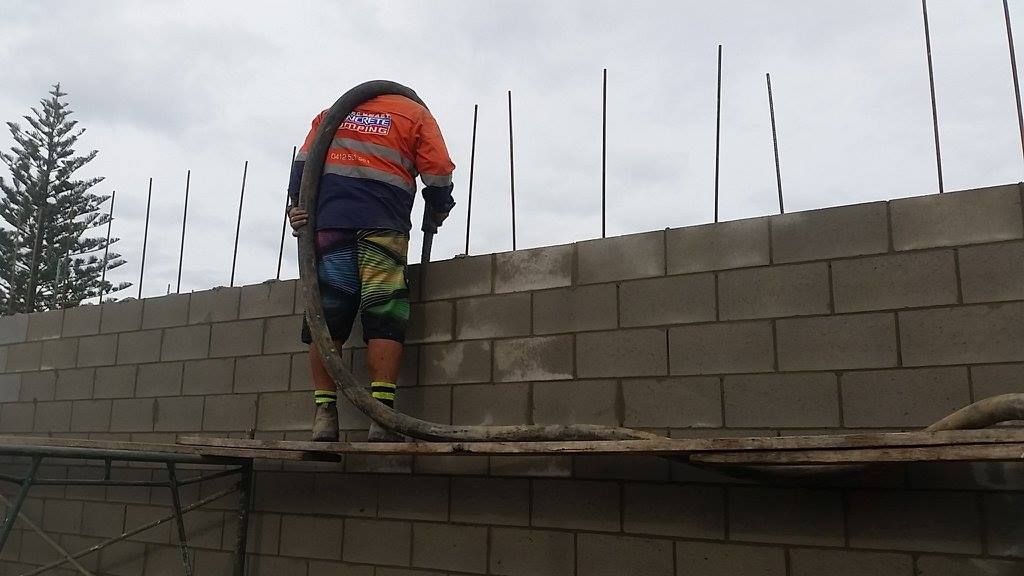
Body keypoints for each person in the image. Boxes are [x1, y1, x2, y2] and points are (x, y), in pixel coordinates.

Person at [287, 90, 455, 442]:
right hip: (383, 224)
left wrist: (296, 206)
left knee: (327, 315)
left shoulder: (332, 113)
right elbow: (437, 172)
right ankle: (382, 416)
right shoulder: (414, 114)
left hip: (328, 224)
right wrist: (439, 205)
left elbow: (303, 164)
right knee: (384, 312)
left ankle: (324, 417)